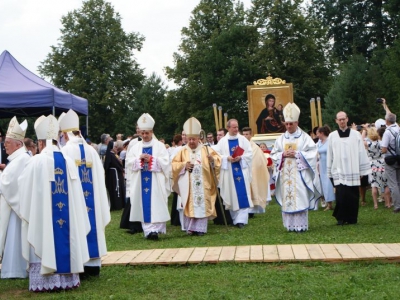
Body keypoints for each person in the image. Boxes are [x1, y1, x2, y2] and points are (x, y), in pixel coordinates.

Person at [19, 115, 90, 291]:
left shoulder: (36, 161)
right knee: (67, 231)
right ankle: (67, 280)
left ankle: (46, 279)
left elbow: (24, 188)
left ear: (41, 143)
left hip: (45, 218)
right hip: (67, 220)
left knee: (45, 233)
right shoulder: (67, 161)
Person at [59, 109, 111, 277]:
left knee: (78, 224)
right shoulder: (91, 150)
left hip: (76, 200)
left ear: (66, 135)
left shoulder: (65, 151)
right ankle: (93, 265)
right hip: (92, 200)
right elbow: (100, 175)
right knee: (92, 222)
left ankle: (81, 265)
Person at [270, 103, 319, 232]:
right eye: (286, 124)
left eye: (291, 123)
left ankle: (301, 225)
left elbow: (313, 152)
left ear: (297, 122)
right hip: (286, 174)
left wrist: (298, 154)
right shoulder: (280, 139)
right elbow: (273, 154)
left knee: (300, 197)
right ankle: (289, 226)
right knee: (288, 198)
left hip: (299, 174)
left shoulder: (304, 138)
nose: (288, 126)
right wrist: (282, 154)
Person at [172, 117, 221, 236]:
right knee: (190, 205)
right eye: (189, 139)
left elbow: (218, 161)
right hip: (188, 185)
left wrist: (212, 160)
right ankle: (191, 228)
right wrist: (184, 165)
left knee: (202, 204)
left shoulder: (207, 149)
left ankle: (200, 229)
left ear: (199, 138)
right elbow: (174, 164)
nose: (191, 141)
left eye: (193, 139)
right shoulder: (183, 151)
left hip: (204, 184)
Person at [126, 113, 170, 240]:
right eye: (143, 133)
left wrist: (152, 159)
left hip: (156, 181)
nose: (144, 136)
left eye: (147, 133)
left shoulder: (159, 146)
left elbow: (166, 163)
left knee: (156, 203)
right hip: (140, 181)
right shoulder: (135, 147)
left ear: (152, 132)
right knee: (142, 203)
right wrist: (138, 160)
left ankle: (156, 229)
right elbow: (129, 162)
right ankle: (149, 231)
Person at [327, 111, 371, 225]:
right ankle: (341, 218)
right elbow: (330, 154)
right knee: (341, 195)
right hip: (338, 169)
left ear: (347, 119)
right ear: (336, 121)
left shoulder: (355, 134)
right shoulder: (332, 136)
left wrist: (362, 170)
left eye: (343, 119)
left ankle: (352, 218)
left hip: (353, 169)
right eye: (339, 119)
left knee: (352, 195)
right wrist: (329, 170)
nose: (342, 121)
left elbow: (361, 152)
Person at [0, 117, 30, 279]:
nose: (5, 146)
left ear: (18, 144)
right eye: (5, 143)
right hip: (15, 206)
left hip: (17, 208)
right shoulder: (19, 158)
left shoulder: (22, 159)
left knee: (16, 237)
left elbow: (7, 184)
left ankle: (15, 269)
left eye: (8, 143)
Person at [213, 119, 253, 228]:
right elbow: (217, 155)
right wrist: (227, 158)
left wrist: (241, 157)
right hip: (229, 172)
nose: (236, 129)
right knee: (231, 195)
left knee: (243, 195)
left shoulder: (243, 139)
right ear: (228, 128)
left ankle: (242, 221)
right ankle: (235, 219)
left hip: (241, 169)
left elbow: (250, 153)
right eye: (234, 127)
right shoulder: (222, 141)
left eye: (237, 127)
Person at [242, 127, 270, 215]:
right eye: (244, 134)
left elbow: (261, 161)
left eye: (247, 134)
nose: (245, 136)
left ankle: (252, 210)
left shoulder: (255, 147)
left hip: (253, 172)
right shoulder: (240, 145)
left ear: (251, 135)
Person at [380, 112, 400, 213]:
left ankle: (397, 205)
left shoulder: (387, 132)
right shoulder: (398, 129)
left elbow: (384, 148)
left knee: (393, 184)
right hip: (399, 158)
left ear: (387, 121)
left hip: (390, 159)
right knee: (399, 182)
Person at [365, 127, 388, 209]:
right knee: (385, 184)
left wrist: (364, 131)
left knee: (374, 185)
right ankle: (387, 202)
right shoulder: (381, 142)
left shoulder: (367, 144)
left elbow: (361, 140)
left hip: (372, 164)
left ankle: (375, 204)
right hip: (381, 163)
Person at [316, 126, 335, 211]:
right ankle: (327, 202)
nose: (317, 135)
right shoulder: (319, 142)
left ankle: (330, 202)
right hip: (321, 165)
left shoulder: (329, 141)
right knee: (323, 183)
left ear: (322, 133)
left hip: (329, 164)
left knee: (329, 183)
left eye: (318, 133)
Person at [104, 140, 125, 210]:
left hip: (115, 174)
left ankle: (120, 204)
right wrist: (121, 167)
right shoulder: (111, 155)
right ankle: (116, 205)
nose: (116, 148)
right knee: (116, 189)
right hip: (113, 175)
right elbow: (116, 164)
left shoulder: (113, 155)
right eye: (115, 147)